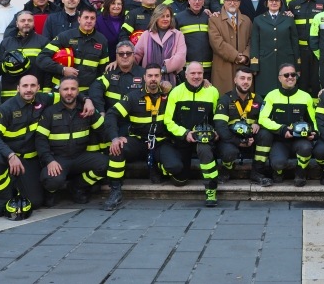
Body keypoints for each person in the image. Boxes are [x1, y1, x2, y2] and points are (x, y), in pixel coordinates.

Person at [0, 74, 53, 217]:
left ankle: (16, 187)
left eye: (33, 86)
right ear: (18, 88)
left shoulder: (43, 99)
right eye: (25, 86)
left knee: (35, 202)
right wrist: (10, 155)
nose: (29, 89)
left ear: (38, 88)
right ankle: (2, 200)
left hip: (29, 159)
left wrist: (87, 100)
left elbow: (67, 94)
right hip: (6, 156)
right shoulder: (6, 109)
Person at [36, 77, 108, 206]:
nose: (69, 92)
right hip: (58, 158)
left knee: (107, 164)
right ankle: (51, 192)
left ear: (78, 91)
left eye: (73, 89)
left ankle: (77, 187)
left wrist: (93, 109)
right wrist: (49, 161)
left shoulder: (87, 111)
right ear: (59, 91)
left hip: (80, 156)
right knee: (51, 179)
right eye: (65, 89)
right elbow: (40, 140)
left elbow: (103, 130)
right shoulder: (49, 112)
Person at [103, 64, 166, 210]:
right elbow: (112, 114)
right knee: (118, 149)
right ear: (144, 78)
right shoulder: (133, 96)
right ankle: (115, 189)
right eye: (150, 76)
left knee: (173, 165)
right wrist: (115, 138)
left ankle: (156, 167)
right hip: (138, 141)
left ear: (161, 78)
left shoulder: (168, 96)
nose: (153, 79)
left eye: (156, 76)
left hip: (160, 142)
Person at [162, 62, 221, 206]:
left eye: (199, 73)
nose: (196, 76)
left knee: (204, 150)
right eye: (193, 73)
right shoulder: (176, 92)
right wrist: (185, 133)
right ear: (186, 75)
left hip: (204, 138)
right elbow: (168, 121)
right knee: (180, 180)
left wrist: (216, 132)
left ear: (204, 74)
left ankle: (211, 189)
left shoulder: (212, 92)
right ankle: (162, 167)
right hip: (183, 138)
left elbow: (218, 117)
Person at [260, 63, 318, 186]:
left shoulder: (306, 96)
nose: (290, 77)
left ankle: (300, 172)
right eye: (286, 75)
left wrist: (314, 132)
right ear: (279, 78)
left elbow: (314, 120)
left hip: (300, 139)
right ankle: (278, 172)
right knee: (278, 163)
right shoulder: (271, 96)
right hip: (280, 140)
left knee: (306, 148)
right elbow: (262, 119)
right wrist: (282, 129)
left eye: (293, 74)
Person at [214, 67, 272, 185]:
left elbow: (267, 119)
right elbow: (220, 126)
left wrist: (258, 123)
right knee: (229, 152)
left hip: (251, 138)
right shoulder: (225, 100)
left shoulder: (258, 99)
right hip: (231, 139)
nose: (246, 81)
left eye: (249, 79)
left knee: (266, 135)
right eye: (242, 78)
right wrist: (238, 141)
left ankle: (257, 172)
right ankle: (226, 171)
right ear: (235, 80)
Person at [37, 6, 110, 95]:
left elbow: (103, 71)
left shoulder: (102, 40)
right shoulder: (65, 36)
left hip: (87, 92)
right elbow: (42, 58)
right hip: (62, 90)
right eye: (86, 17)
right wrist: (62, 69)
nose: (89, 21)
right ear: (79, 19)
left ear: (95, 21)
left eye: (92, 18)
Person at [250, 0, 299, 96]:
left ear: (281, 3)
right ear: (266, 3)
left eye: (277, 1)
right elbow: (254, 43)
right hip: (265, 62)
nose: (274, 3)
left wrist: (297, 65)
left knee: (286, 90)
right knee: (265, 92)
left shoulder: (288, 19)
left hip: (285, 59)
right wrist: (254, 65)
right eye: (271, 0)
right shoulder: (258, 20)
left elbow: (294, 42)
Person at [0, 10, 48, 102]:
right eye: (23, 20)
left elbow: (48, 70)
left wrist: (46, 92)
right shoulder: (6, 43)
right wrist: (7, 66)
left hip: (35, 94)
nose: (26, 23)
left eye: (29, 20)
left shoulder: (43, 42)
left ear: (33, 23)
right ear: (17, 23)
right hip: (10, 94)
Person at [209, 0, 252, 93]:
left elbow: (251, 41)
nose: (232, 3)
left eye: (235, 0)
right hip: (223, 68)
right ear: (224, 2)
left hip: (243, 66)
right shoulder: (214, 19)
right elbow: (217, 43)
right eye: (229, 0)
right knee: (224, 99)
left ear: (239, 2)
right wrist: (236, 56)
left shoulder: (247, 20)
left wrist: (245, 56)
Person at [289, 0, 324, 95]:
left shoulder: (323, 3)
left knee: (317, 81)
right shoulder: (293, 4)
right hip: (301, 50)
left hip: (317, 50)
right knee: (302, 82)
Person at [133, 6, 186, 83]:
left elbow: (181, 57)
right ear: (156, 18)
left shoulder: (178, 34)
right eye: (162, 16)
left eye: (168, 16)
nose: (165, 19)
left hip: (172, 80)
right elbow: (136, 56)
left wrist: (163, 69)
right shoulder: (146, 35)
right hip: (150, 81)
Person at [91, 41, 146, 113]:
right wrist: (101, 111)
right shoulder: (110, 73)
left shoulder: (144, 74)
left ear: (133, 55)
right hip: (113, 118)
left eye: (128, 53)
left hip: (135, 119)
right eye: (121, 54)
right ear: (116, 56)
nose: (125, 56)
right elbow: (95, 89)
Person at [176, 0, 214, 78]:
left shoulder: (209, 17)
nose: (197, 2)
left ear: (203, 1)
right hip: (188, 69)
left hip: (208, 69)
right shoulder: (179, 18)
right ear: (189, 0)